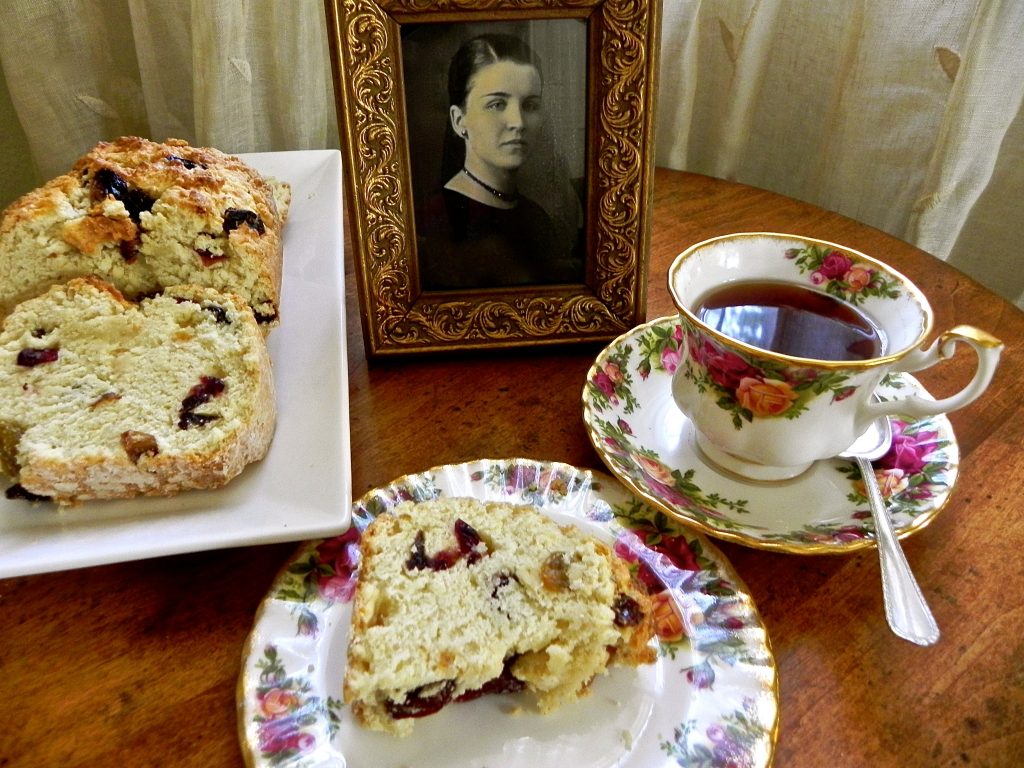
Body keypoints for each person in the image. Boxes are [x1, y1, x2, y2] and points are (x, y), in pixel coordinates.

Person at [417, 33, 582, 291]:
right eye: (496, 104)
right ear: (459, 120)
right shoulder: (436, 222)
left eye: (530, 105)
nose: (517, 122)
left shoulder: (536, 218)